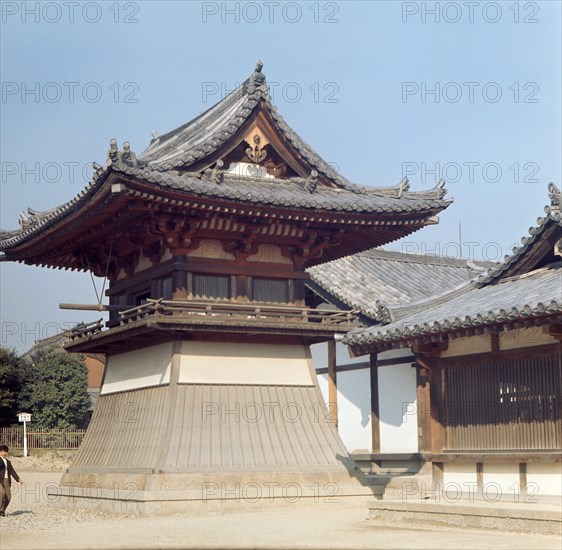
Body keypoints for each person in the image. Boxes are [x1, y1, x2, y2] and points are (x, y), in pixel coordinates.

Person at [0, 445, 24, 517]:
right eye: (4, 451)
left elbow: (12, 471)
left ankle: (2, 510)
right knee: (2, 493)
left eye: (6, 452)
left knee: (8, 497)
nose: (5, 453)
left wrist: (18, 479)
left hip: (7, 480)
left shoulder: (8, 462)